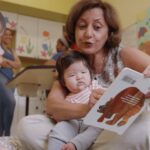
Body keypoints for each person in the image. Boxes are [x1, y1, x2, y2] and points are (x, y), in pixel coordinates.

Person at [17, 0, 150, 150]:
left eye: (97, 27)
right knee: (27, 126)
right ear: (73, 31)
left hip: (109, 133)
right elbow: (53, 107)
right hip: (75, 128)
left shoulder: (125, 54)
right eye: (81, 26)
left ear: (109, 31)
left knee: (144, 128)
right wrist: (91, 108)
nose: (88, 33)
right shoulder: (68, 61)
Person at [48, 50, 104, 150]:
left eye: (83, 72)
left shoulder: (94, 86)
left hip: (93, 121)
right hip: (74, 122)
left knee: (98, 127)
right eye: (72, 75)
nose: (79, 77)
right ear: (63, 82)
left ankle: (75, 145)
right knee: (59, 128)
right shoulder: (67, 99)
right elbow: (59, 114)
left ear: (90, 74)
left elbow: (106, 94)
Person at [0, 27, 21, 136]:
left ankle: (1, 138)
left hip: (11, 79)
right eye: (6, 34)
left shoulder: (12, 50)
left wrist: (6, 61)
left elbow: (18, 64)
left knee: (3, 106)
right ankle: (7, 133)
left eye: (10, 34)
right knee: (11, 102)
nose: (9, 36)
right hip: (1, 76)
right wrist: (8, 62)